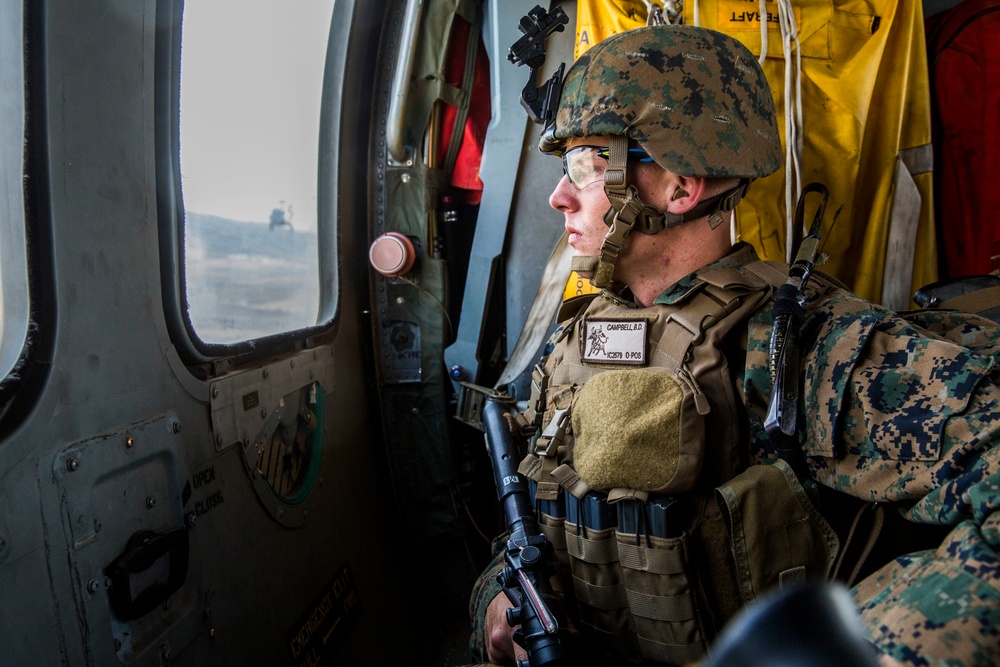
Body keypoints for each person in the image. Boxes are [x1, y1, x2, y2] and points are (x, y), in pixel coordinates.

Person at [469, 24, 1000, 667]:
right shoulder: (573, 337)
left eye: (587, 164)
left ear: (681, 185)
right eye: (565, 166)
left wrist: (862, 649)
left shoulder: (802, 346)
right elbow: (534, 513)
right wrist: (499, 602)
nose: (559, 196)